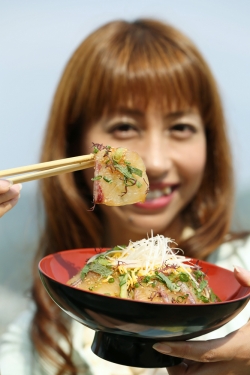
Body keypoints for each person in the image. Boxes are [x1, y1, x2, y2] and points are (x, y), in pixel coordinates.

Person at [0, 18, 250, 375]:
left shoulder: (242, 277)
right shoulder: (41, 336)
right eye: (125, 127)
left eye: (181, 127)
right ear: (75, 143)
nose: (157, 162)